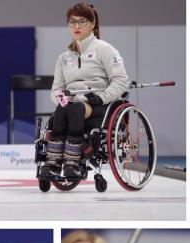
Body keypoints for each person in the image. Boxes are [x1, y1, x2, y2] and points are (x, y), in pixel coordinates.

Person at [41, 3, 129, 180]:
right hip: (71, 104)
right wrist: (61, 98)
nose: (77, 26)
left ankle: (73, 163)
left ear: (92, 23)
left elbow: (121, 81)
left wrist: (101, 97)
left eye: (82, 21)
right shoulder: (64, 58)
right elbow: (56, 89)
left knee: (74, 109)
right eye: (72, 22)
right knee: (64, 108)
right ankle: (52, 164)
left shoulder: (104, 49)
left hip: (99, 103)